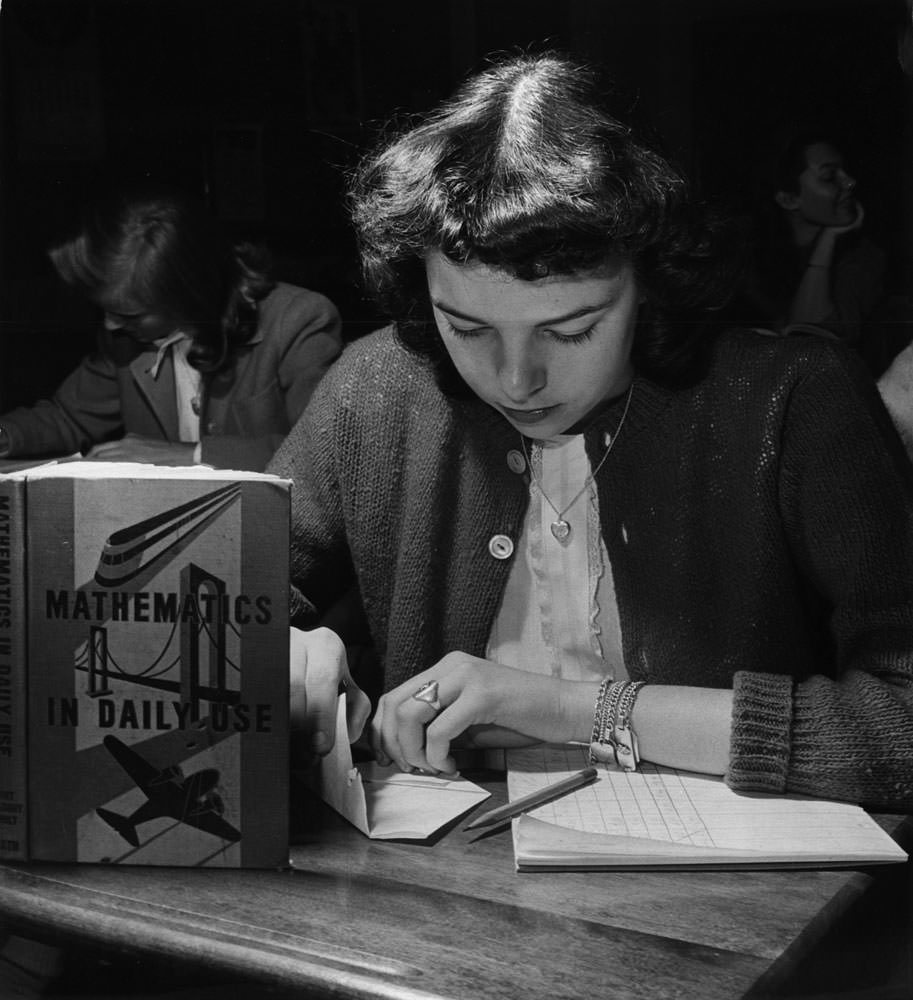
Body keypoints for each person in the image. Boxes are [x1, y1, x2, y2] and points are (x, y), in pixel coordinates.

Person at [271, 53, 913, 811]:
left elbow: (899, 724)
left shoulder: (793, 395)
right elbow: (221, 601)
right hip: (440, 891)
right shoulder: (373, 389)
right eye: (466, 326)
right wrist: (275, 651)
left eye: (571, 329)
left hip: (749, 909)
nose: (516, 380)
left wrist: (571, 707)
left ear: (650, 280)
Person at [0, 185, 343, 472]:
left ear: (187, 293)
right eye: (106, 310)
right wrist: (6, 435)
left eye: (131, 314)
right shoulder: (125, 339)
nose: (110, 324)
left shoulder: (299, 320)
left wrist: (191, 456)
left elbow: (324, 457)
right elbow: (69, 418)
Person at [737, 131, 888, 351]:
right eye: (829, 176)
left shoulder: (864, 257)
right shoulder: (749, 257)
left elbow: (812, 338)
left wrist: (828, 239)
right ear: (788, 199)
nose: (850, 182)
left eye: (845, 171)